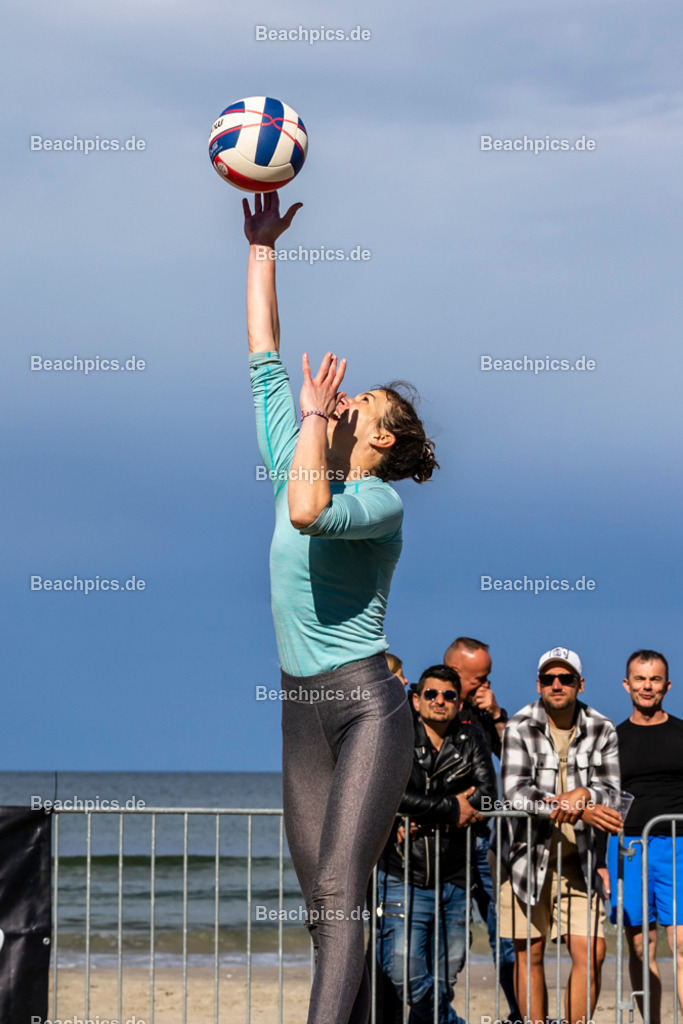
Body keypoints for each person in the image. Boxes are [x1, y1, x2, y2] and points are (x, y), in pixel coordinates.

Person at [243, 191, 438, 1024]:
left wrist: (318, 414)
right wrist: (261, 248)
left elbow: (305, 512)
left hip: (366, 708)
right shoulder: (301, 452)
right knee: (325, 912)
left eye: (368, 407)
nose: (349, 398)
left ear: (383, 439)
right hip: (299, 711)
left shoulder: (379, 505)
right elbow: (263, 352)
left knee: (338, 883)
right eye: (346, 399)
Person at [498, 646, 623, 1024]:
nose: (557, 684)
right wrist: (575, 806)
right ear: (538, 684)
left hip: (580, 862)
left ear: (579, 684)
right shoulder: (518, 726)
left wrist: (585, 794)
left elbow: (614, 795)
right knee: (529, 954)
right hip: (525, 859)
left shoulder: (603, 728)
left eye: (565, 678)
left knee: (592, 952)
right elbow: (514, 793)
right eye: (549, 678)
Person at [376, 664, 497, 1023]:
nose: (439, 701)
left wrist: (422, 814)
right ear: (416, 699)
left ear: (460, 704)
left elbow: (488, 798)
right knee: (405, 974)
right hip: (403, 874)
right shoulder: (397, 736)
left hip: (455, 877)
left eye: (449, 695)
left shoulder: (472, 737)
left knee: (445, 979)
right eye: (431, 694)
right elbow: (391, 795)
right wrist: (451, 808)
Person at [443, 637, 520, 1024]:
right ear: (458, 674)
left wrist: (499, 715)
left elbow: (515, 764)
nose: (486, 685)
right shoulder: (433, 705)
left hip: (487, 841)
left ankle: (522, 1014)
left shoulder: (483, 713)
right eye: (480, 679)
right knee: (448, 943)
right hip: (447, 844)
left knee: (506, 935)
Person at [606, 649, 683, 1024]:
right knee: (640, 945)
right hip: (631, 850)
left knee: (682, 944)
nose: (647, 686)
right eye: (640, 678)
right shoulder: (612, 739)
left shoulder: (682, 733)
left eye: (654, 679)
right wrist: (605, 864)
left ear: (667, 685)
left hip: (680, 848)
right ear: (627, 685)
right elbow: (606, 801)